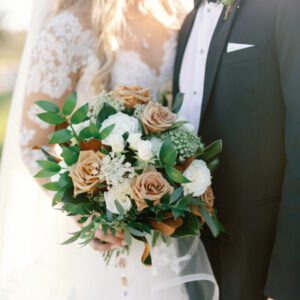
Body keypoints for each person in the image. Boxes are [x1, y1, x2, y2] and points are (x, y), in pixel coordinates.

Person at [0, 0, 219, 299]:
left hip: (171, 219)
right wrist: (86, 215)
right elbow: (33, 142)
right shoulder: (70, 27)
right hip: (112, 230)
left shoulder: (175, 14)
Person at [174, 0, 300, 299]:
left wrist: (288, 280)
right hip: (192, 251)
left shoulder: (283, 8)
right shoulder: (188, 23)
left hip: (259, 258)